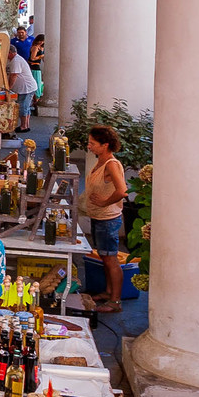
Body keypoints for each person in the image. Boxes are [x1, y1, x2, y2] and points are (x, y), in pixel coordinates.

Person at [80, 122, 130, 310]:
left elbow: (122, 190)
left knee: (111, 259)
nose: (89, 146)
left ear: (105, 145)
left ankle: (115, 301)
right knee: (105, 256)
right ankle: (109, 292)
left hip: (108, 219)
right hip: (99, 218)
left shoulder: (111, 165)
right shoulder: (100, 161)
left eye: (93, 143)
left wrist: (104, 202)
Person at [8, 44, 39, 134]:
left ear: (10, 53)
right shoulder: (15, 59)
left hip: (26, 88)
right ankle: (26, 125)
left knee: (23, 107)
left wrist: (9, 87)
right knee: (26, 107)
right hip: (25, 88)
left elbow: (14, 75)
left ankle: (23, 126)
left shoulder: (16, 61)